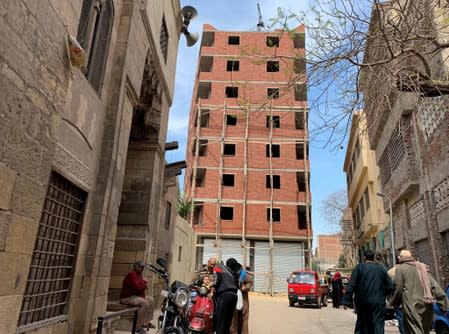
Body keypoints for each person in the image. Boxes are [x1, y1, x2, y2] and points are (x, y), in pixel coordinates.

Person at [390, 249, 449, 334]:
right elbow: (434, 286)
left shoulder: (400, 269)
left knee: (415, 330)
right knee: (425, 331)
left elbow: (398, 289)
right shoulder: (422, 267)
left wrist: (395, 302)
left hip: (411, 306)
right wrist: (444, 304)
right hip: (427, 304)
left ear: (401, 258)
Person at [341, 250, 394, 334]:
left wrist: (346, 301)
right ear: (374, 258)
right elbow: (390, 286)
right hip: (378, 303)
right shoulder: (381, 269)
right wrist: (383, 294)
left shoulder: (359, 268)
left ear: (364, 257)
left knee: (362, 325)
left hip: (363, 302)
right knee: (378, 325)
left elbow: (351, 284)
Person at [120, 260, 156, 334]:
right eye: (141, 267)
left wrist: (143, 284)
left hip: (135, 296)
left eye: (143, 268)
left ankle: (145, 323)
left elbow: (140, 287)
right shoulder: (132, 274)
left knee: (151, 300)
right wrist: (144, 282)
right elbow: (137, 287)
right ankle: (137, 327)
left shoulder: (139, 274)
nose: (142, 269)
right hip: (127, 297)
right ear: (136, 267)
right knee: (145, 304)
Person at [212, 258, 239, 334]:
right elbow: (237, 283)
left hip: (225, 295)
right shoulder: (230, 270)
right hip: (234, 296)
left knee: (220, 321)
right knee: (227, 322)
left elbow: (218, 277)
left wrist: (214, 287)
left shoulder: (217, 266)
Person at [230, 266, 253, 334]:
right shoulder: (231, 273)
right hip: (237, 297)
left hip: (242, 298)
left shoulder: (243, 274)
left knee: (242, 317)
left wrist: (242, 288)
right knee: (236, 317)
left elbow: (249, 283)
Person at [387, 255, 404, 334]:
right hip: (413, 300)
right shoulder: (414, 269)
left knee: (401, 318)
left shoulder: (390, 272)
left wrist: (390, 299)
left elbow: (388, 288)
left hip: (398, 301)